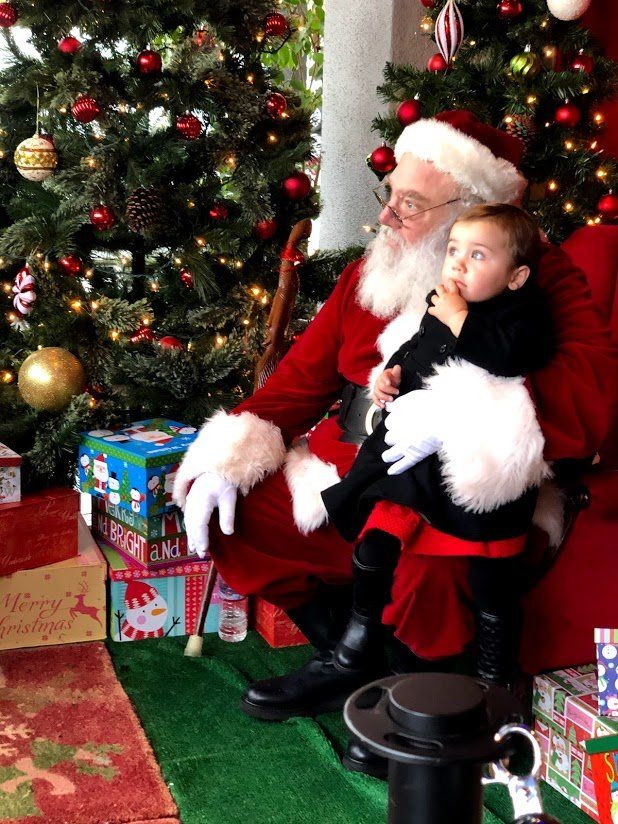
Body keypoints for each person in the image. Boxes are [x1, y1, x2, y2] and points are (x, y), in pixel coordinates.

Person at [173, 110, 614, 774]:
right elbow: (299, 380)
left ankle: (423, 695)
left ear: (472, 211)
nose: (387, 218)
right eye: (391, 195)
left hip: (459, 478)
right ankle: (353, 658)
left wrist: (460, 414)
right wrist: (226, 455)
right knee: (239, 512)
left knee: (432, 560)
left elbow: (591, 400)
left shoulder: (533, 274)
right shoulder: (373, 271)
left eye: (410, 204)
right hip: (352, 463)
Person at [321, 203, 554, 687]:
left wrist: (462, 319)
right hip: (415, 455)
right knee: (380, 525)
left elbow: (510, 358)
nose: (459, 264)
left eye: (478, 255)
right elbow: (419, 346)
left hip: (473, 457)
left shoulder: (525, 313)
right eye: (453, 251)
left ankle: (494, 675)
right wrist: (393, 374)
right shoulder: (440, 300)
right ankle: (359, 632)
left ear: (516, 276)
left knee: (491, 573)